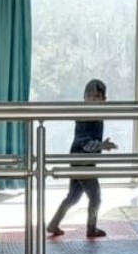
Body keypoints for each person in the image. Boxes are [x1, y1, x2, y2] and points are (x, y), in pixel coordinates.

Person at [46, 79, 117, 239]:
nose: (92, 100)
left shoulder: (94, 115)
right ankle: (91, 228)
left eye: (96, 96)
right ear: (84, 98)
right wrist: (101, 145)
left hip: (77, 160)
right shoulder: (86, 116)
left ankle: (53, 224)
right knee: (95, 197)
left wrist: (100, 145)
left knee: (73, 197)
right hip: (83, 161)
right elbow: (84, 142)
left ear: (104, 100)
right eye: (89, 96)